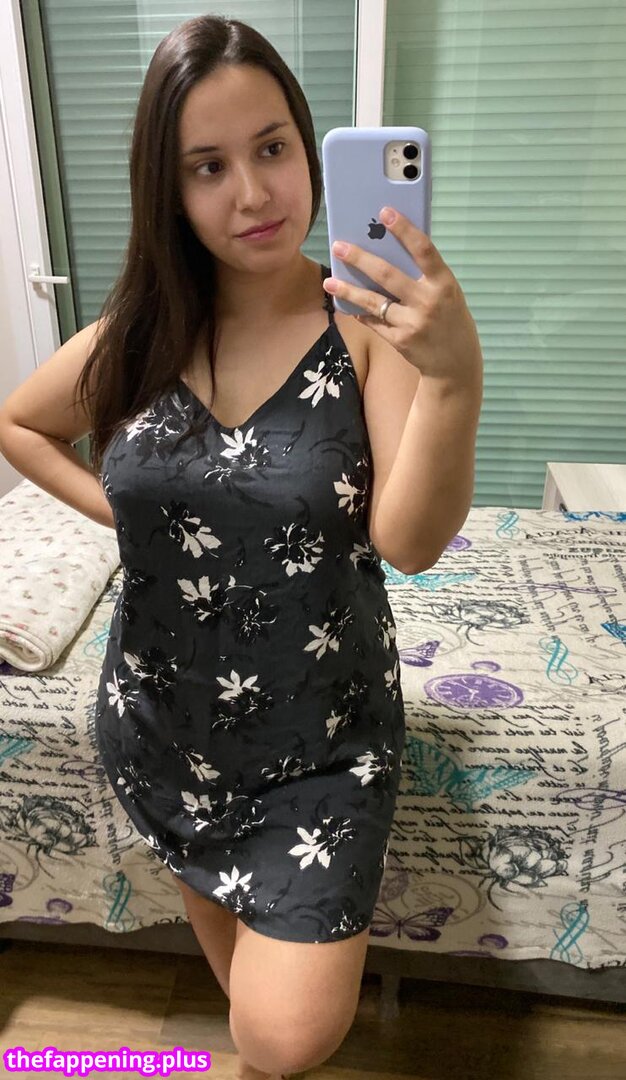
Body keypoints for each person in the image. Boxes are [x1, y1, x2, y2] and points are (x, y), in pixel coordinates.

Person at [0, 14, 483, 1080]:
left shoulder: (362, 321)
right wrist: (126, 522)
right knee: (243, 1000)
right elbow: (20, 423)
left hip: (320, 741)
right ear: (167, 190)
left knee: (280, 1036)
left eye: (272, 148)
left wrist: (453, 377)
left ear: (308, 149)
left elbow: (408, 542)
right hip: (161, 721)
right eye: (207, 166)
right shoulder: (143, 329)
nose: (253, 193)